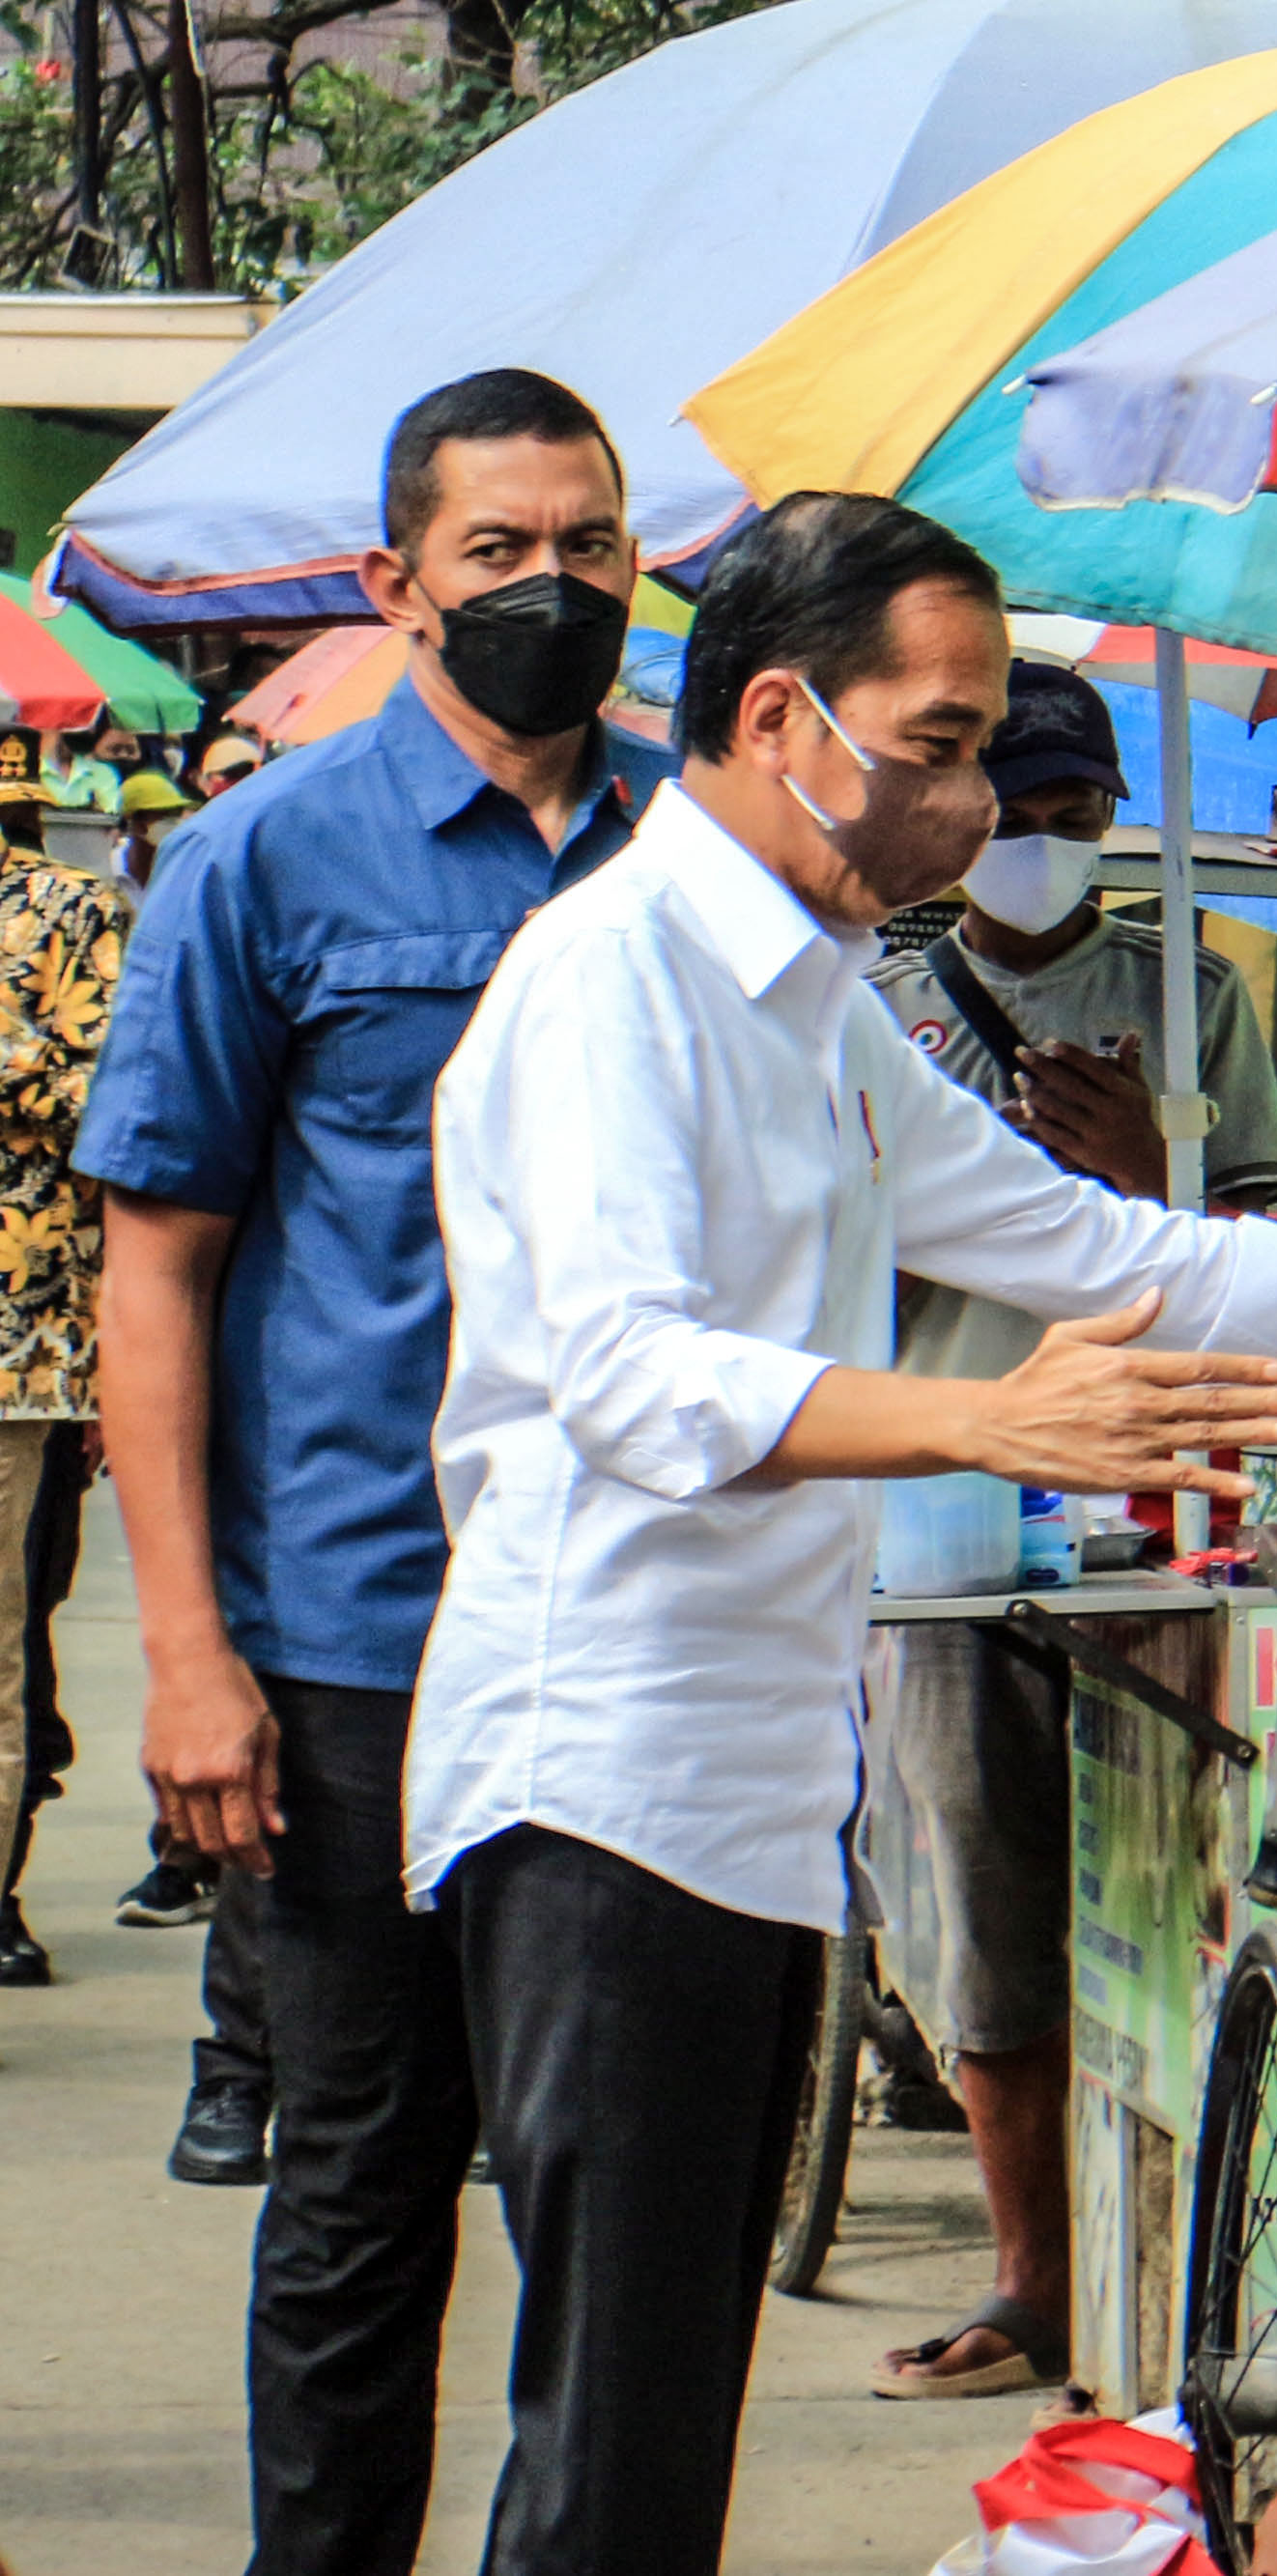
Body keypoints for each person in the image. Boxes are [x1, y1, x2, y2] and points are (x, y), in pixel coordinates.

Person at [408, 488, 1277, 2574]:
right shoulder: (618, 980)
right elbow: (624, 1374)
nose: (975, 798)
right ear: (780, 718)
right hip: (608, 1780)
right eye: (936, 747)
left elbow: (1106, 1244)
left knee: (660, 2428)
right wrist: (991, 1411)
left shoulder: (818, 1008)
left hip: (744, 1789)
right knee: (610, 2438)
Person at [74, 365, 667, 2573]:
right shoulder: (265, 861)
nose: (548, 586)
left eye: (586, 544)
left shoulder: (696, 852)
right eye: (499, 551)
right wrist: (185, 1659)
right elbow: (161, 1276)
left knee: (615, 2190)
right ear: (394, 581)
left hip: (627, 1637)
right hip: (354, 1643)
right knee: (361, 2185)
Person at [852, 656, 1277, 2400]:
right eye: (1007, 810)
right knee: (978, 1895)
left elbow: (1258, 1253)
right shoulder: (869, 999)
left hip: (1147, 1506)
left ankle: (1173, 2264)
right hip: (937, 1509)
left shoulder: (1186, 994)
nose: (1036, 843)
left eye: (1071, 815)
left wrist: (1144, 1179)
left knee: (1164, 1893)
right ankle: (1033, 2273)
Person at [0, 805, 123, 1987]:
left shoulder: (68, 912)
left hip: (17, 1347)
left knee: (5, 1639)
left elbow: (124, 1112)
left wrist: (12, 1048)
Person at [114, 767, 194, 895]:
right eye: (163, 814)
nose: (173, 821)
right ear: (135, 822)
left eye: (177, 812)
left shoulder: (186, 871)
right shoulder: (109, 870)